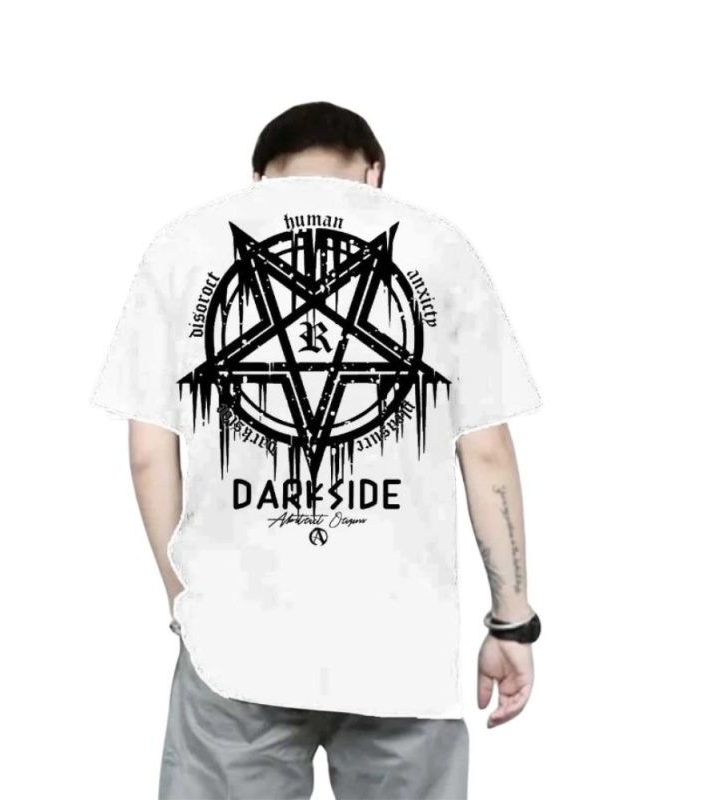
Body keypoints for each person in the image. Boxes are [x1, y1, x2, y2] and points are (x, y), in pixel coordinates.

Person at [90, 101, 543, 800]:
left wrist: (188, 603)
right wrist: (513, 620)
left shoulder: (182, 245)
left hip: (235, 645)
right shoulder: (439, 246)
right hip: (400, 645)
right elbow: (486, 452)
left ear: (258, 175)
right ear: (374, 172)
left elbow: (149, 453)